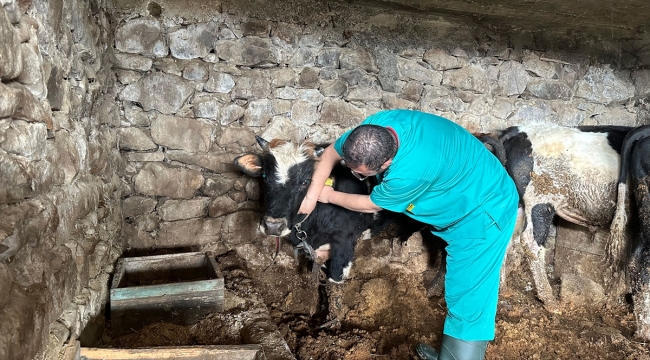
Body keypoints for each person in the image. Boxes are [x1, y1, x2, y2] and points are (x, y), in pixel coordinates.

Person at [298, 109, 519, 360]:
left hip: (483, 213)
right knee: (463, 290)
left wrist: (326, 195)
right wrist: (310, 196)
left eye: (362, 174)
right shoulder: (374, 130)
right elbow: (330, 154)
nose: (356, 176)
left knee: (468, 296)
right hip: (469, 180)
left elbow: (371, 204)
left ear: (386, 164)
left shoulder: (407, 174)